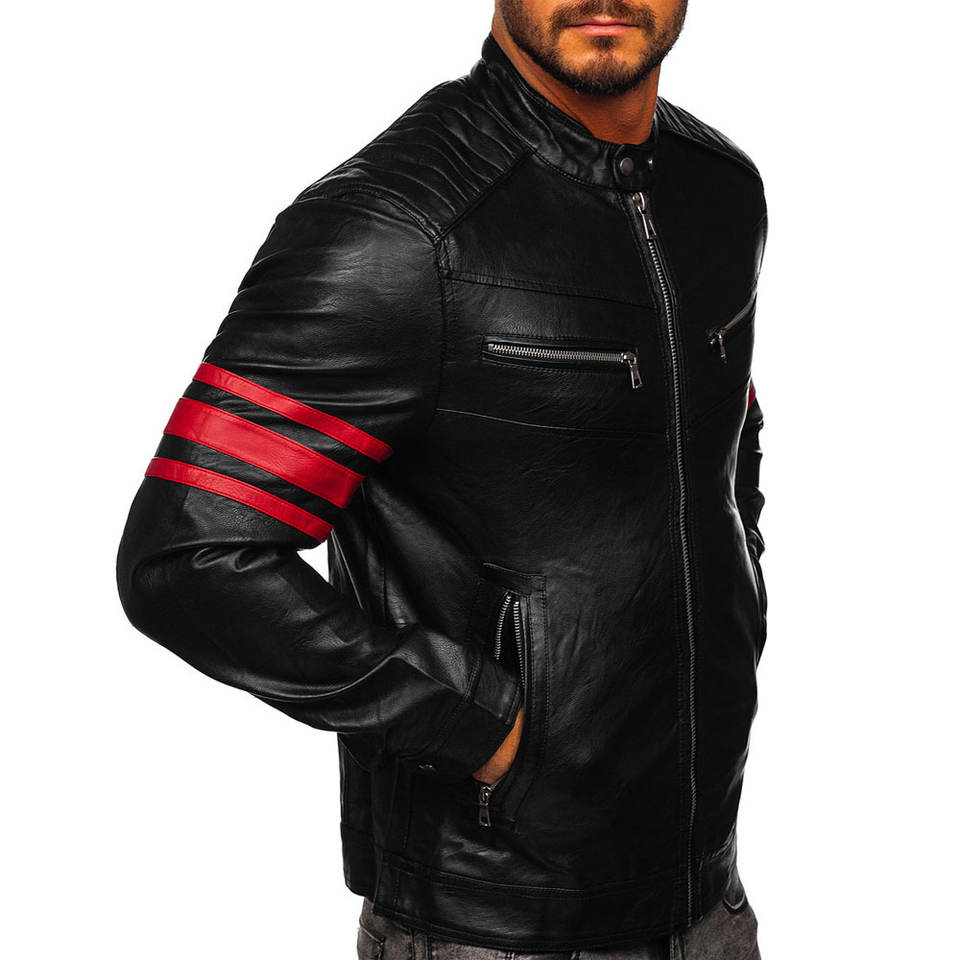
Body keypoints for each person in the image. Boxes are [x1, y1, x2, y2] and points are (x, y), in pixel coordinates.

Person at [116, 1, 768, 956]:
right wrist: (480, 725)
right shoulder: (398, 229)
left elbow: (724, 437)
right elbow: (187, 553)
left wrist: (743, 596)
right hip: (489, 926)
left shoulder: (719, 190)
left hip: (710, 900)